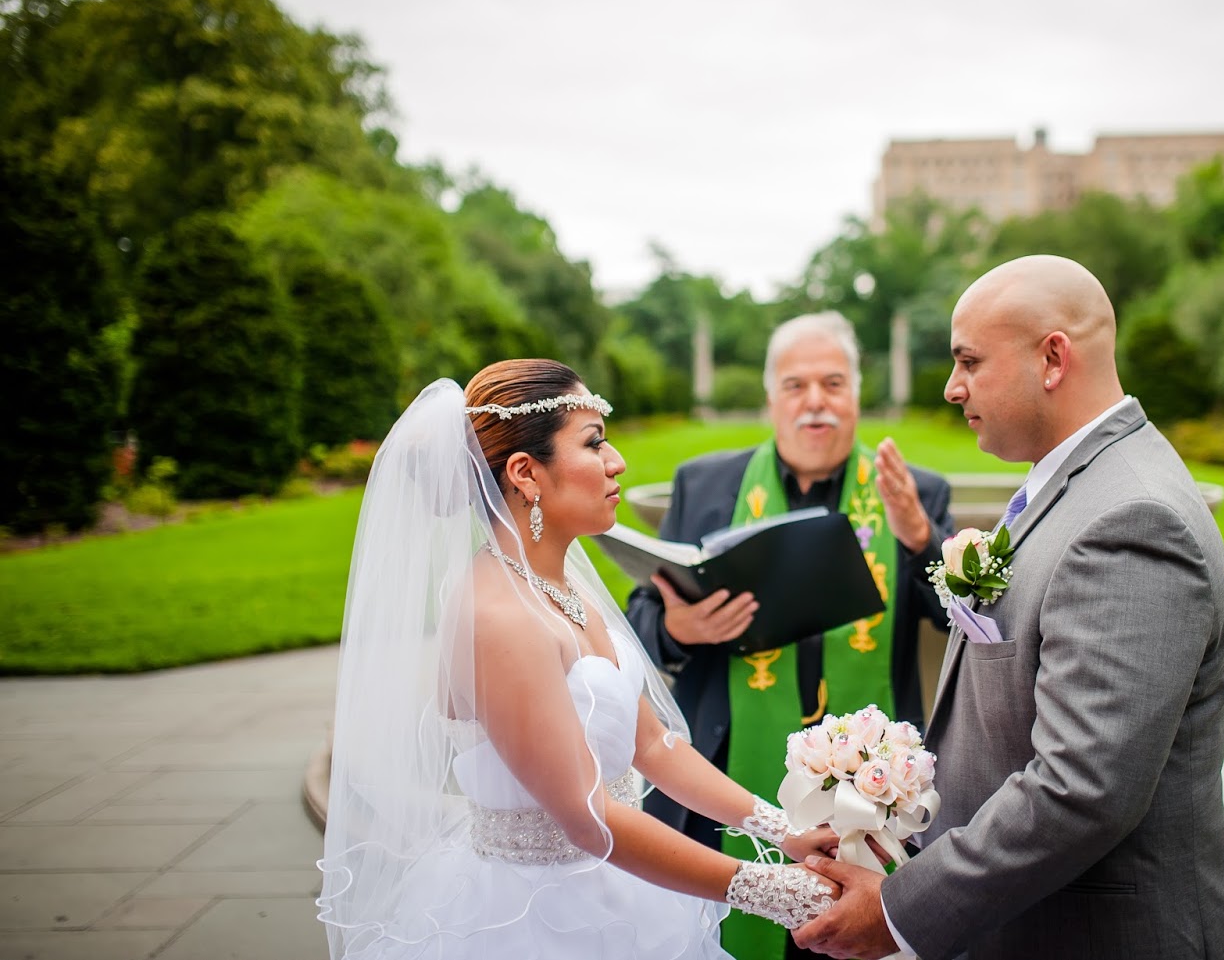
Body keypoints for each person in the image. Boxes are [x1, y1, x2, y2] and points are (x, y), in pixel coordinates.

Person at [316, 359, 841, 960]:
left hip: (617, 884)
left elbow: (651, 744)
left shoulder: (561, 585)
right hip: (529, 917)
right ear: (525, 473)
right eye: (594, 443)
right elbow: (588, 815)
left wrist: (784, 830)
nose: (617, 462)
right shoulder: (498, 619)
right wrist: (771, 890)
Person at [795, 256, 1224, 960]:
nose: (951, 387)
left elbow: (1082, 787)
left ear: (1053, 358)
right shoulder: (1072, 481)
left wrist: (902, 910)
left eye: (969, 360)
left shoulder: (1133, 520)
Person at [626, 311, 953, 958]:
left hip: (874, 784)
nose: (815, 402)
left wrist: (920, 539)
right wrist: (675, 624)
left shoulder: (913, 492)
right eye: (796, 385)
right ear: (771, 398)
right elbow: (640, 613)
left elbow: (963, 625)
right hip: (724, 780)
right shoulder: (708, 485)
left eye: (833, 384)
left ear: (856, 395)